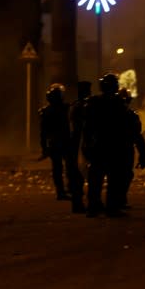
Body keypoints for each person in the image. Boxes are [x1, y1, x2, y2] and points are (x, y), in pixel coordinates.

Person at [83, 73, 129, 217]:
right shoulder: (118, 102)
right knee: (113, 178)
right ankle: (111, 208)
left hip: (98, 145)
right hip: (113, 145)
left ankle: (93, 207)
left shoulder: (93, 102)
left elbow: (88, 126)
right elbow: (123, 125)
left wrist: (87, 144)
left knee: (95, 179)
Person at [39, 84, 74, 201]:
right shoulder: (66, 108)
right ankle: (68, 189)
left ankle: (62, 191)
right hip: (63, 141)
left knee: (58, 168)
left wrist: (44, 147)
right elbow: (43, 132)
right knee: (67, 167)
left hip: (56, 142)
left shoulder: (46, 111)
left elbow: (43, 132)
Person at [118, 88, 145, 209]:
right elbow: (137, 136)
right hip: (122, 149)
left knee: (122, 175)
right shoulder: (130, 115)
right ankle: (118, 200)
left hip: (119, 148)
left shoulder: (107, 114)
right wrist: (143, 153)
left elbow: (137, 135)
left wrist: (143, 153)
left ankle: (118, 200)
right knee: (122, 175)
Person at [67, 81, 91, 213]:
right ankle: (78, 204)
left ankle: (78, 203)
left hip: (77, 142)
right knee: (78, 175)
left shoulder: (75, 105)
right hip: (80, 142)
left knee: (77, 175)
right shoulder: (81, 106)